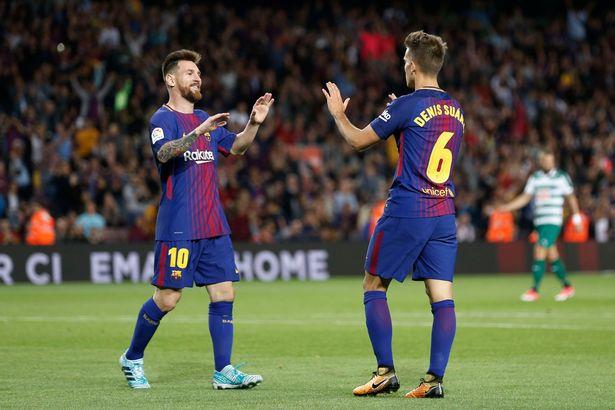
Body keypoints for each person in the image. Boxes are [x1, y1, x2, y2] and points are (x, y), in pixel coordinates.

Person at [120, 49, 273, 389]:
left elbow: (237, 147)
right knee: (168, 298)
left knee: (224, 293)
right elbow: (164, 153)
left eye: (198, 73)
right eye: (189, 72)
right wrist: (196, 132)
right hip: (179, 225)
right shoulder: (162, 119)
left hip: (213, 224)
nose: (197, 77)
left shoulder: (206, 118)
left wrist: (254, 123)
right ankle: (132, 357)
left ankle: (224, 371)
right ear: (170, 79)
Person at [323, 30, 464, 399]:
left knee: (373, 285)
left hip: (408, 209)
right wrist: (401, 125)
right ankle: (433, 380)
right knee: (442, 297)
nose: (403, 66)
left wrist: (338, 114)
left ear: (413, 66)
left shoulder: (406, 105)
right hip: (443, 212)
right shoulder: (456, 109)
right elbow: (425, 149)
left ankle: (385, 372)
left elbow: (357, 140)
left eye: (404, 61)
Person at [495, 150, 581, 302]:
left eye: (550, 160)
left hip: (553, 221)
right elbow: (525, 197)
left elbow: (571, 197)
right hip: (540, 222)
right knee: (552, 255)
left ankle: (534, 289)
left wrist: (577, 217)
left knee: (539, 249)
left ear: (554, 161)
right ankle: (567, 287)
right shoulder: (535, 178)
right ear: (541, 162)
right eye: (545, 160)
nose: (548, 163)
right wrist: (506, 207)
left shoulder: (561, 177)